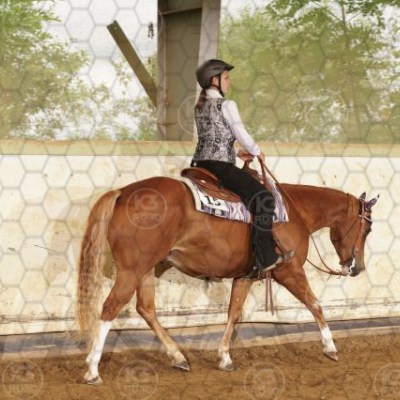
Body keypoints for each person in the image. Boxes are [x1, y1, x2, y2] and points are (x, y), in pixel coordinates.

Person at [191, 59, 288, 279]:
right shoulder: (227, 105)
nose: (229, 82)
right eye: (226, 78)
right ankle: (266, 257)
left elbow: (210, 139)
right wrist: (256, 151)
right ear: (214, 80)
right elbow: (240, 133)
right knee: (264, 198)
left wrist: (235, 153)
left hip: (199, 164)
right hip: (220, 166)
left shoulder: (199, 106)